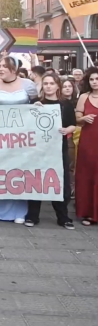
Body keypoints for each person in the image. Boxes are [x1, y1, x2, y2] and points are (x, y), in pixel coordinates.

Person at [0, 56, 37, 224]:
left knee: (17, 170)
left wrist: (36, 108)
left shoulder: (28, 85)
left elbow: (36, 103)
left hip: (21, 136)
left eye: (5, 66)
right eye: (0, 66)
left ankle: (18, 210)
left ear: (14, 69)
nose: (1, 69)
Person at [23, 74, 75, 229]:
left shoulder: (65, 104)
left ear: (57, 86)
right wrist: (33, 110)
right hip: (38, 149)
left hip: (59, 148)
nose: (48, 86)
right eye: (45, 83)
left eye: (52, 83)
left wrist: (67, 130)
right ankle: (33, 215)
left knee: (60, 181)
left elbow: (72, 124)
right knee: (36, 179)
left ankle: (63, 216)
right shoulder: (35, 103)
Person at [75, 67, 98, 226]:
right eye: (92, 79)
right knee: (87, 175)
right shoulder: (84, 97)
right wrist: (84, 118)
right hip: (88, 141)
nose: (94, 82)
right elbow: (76, 118)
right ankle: (87, 212)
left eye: (97, 79)